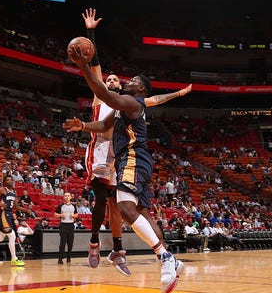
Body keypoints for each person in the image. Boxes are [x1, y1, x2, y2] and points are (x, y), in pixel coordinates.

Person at [79, 8, 192, 276]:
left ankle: (129, 251)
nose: (116, 80)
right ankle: (98, 242)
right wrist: (90, 32)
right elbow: (96, 69)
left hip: (125, 157)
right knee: (111, 202)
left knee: (122, 206)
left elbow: (154, 99)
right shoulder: (109, 99)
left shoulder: (127, 101)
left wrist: (176, 93)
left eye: (118, 79)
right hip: (105, 151)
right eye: (112, 79)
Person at [65, 41, 184, 293]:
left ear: (140, 87)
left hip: (132, 158)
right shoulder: (122, 109)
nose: (127, 81)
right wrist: (83, 126)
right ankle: (172, 260)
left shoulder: (133, 102)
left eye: (131, 80)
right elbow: (104, 125)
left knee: (125, 207)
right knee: (142, 212)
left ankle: (165, 257)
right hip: (132, 160)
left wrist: (84, 66)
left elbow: (106, 95)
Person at [0, 175, 26, 267]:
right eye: (7, 180)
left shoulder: (14, 192)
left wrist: (26, 210)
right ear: (5, 182)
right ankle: (14, 258)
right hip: (4, 214)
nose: (10, 181)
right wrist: (0, 203)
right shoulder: (2, 190)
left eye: (11, 179)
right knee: (12, 236)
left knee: (0, 237)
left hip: (9, 215)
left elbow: (15, 207)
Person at [54, 192, 78, 264]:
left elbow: (77, 214)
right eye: (65, 196)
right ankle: (60, 258)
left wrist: (74, 216)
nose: (67, 197)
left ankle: (68, 257)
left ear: (71, 197)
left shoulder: (73, 206)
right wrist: (61, 215)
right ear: (63, 197)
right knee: (62, 243)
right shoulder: (61, 206)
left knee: (70, 243)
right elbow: (55, 215)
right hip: (63, 225)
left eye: (68, 196)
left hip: (71, 225)